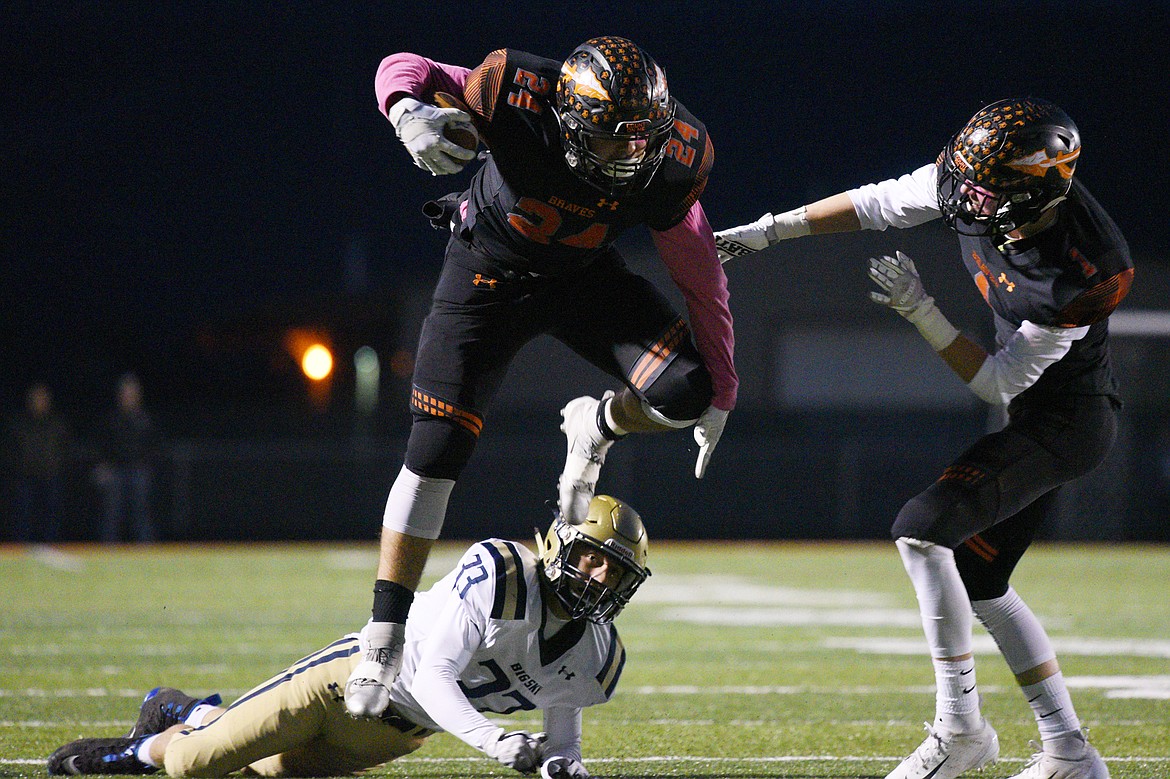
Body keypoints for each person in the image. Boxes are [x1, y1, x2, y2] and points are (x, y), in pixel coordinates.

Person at [714, 98, 1129, 779]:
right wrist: (769, 231)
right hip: (1035, 416)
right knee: (980, 576)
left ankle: (960, 727)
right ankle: (1070, 752)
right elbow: (878, 202)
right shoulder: (979, 181)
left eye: (985, 186)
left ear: (1031, 193)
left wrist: (922, 311)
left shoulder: (1083, 268)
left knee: (921, 529)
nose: (963, 194)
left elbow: (998, 382)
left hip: (1066, 423)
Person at [347, 36, 735, 717]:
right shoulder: (517, 92)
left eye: (643, 138)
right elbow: (403, 66)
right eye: (616, 141)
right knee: (436, 451)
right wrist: (408, 112)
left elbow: (697, 270)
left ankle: (598, 423)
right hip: (486, 275)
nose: (633, 154)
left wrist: (726, 386)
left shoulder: (671, 156)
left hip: (583, 282)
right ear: (573, 122)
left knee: (686, 392)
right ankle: (383, 636)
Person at [46, 494, 651, 778]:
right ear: (561, 548)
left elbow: (562, 737)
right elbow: (437, 678)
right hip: (347, 685)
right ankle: (145, 740)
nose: (600, 578)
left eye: (615, 571)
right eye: (595, 559)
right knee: (192, 765)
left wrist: (563, 768)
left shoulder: (595, 657)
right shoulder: (502, 574)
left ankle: (197, 709)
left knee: (261, 774)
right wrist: (497, 744)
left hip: (397, 736)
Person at [92, 373, 162, 543]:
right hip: (115, 470)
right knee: (111, 515)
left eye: (132, 393)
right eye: (125, 393)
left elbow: (155, 445)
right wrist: (102, 466)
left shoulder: (145, 419)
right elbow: (102, 444)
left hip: (139, 470)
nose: (128, 397)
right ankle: (108, 549)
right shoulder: (112, 418)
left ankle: (144, 550)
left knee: (141, 514)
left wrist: (149, 466)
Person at [5, 382, 73, 543]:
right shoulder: (20, 424)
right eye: (36, 398)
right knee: (24, 514)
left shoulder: (57, 424)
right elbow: (12, 450)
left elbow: (65, 449)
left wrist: (56, 465)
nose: (40, 402)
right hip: (27, 475)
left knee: (52, 514)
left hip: (51, 475)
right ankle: (22, 545)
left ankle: (51, 544)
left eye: (43, 398)